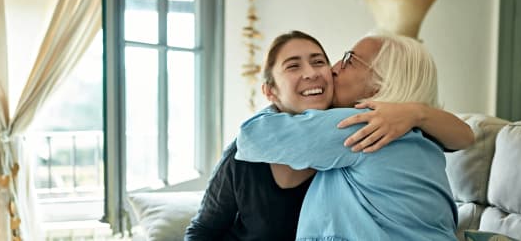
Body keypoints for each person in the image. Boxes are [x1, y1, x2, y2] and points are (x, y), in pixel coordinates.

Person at [185, 31, 469, 240]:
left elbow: (252, 136)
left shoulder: (361, 125)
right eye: (293, 66)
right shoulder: (418, 135)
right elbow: (466, 137)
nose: (330, 70)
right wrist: (417, 112)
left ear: (380, 83)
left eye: (348, 60)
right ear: (270, 90)